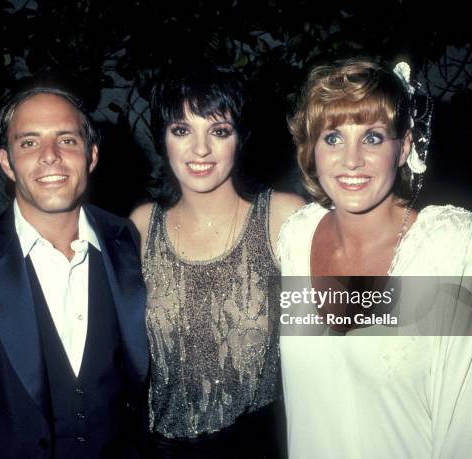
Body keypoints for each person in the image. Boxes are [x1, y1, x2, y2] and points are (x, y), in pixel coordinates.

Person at [277, 58, 472, 458]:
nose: (351, 160)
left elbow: (470, 427)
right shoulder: (295, 237)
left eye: (373, 137)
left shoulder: (461, 247)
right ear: (311, 149)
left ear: (403, 148)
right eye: (332, 138)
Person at [0, 87, 149, 458]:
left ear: (91, 155)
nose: (50, 157)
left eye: (66, 140)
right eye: (29, 143)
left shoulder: (133, 242)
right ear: (7, 162)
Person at [129, 64, 304, 458]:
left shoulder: (283, 217)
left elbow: (345, 319)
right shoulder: (140, 227)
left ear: (240, 138)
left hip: (258, 446)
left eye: (219, 131)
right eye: (182, 130)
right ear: (163, 139)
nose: (201, 149)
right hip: (160, 450)